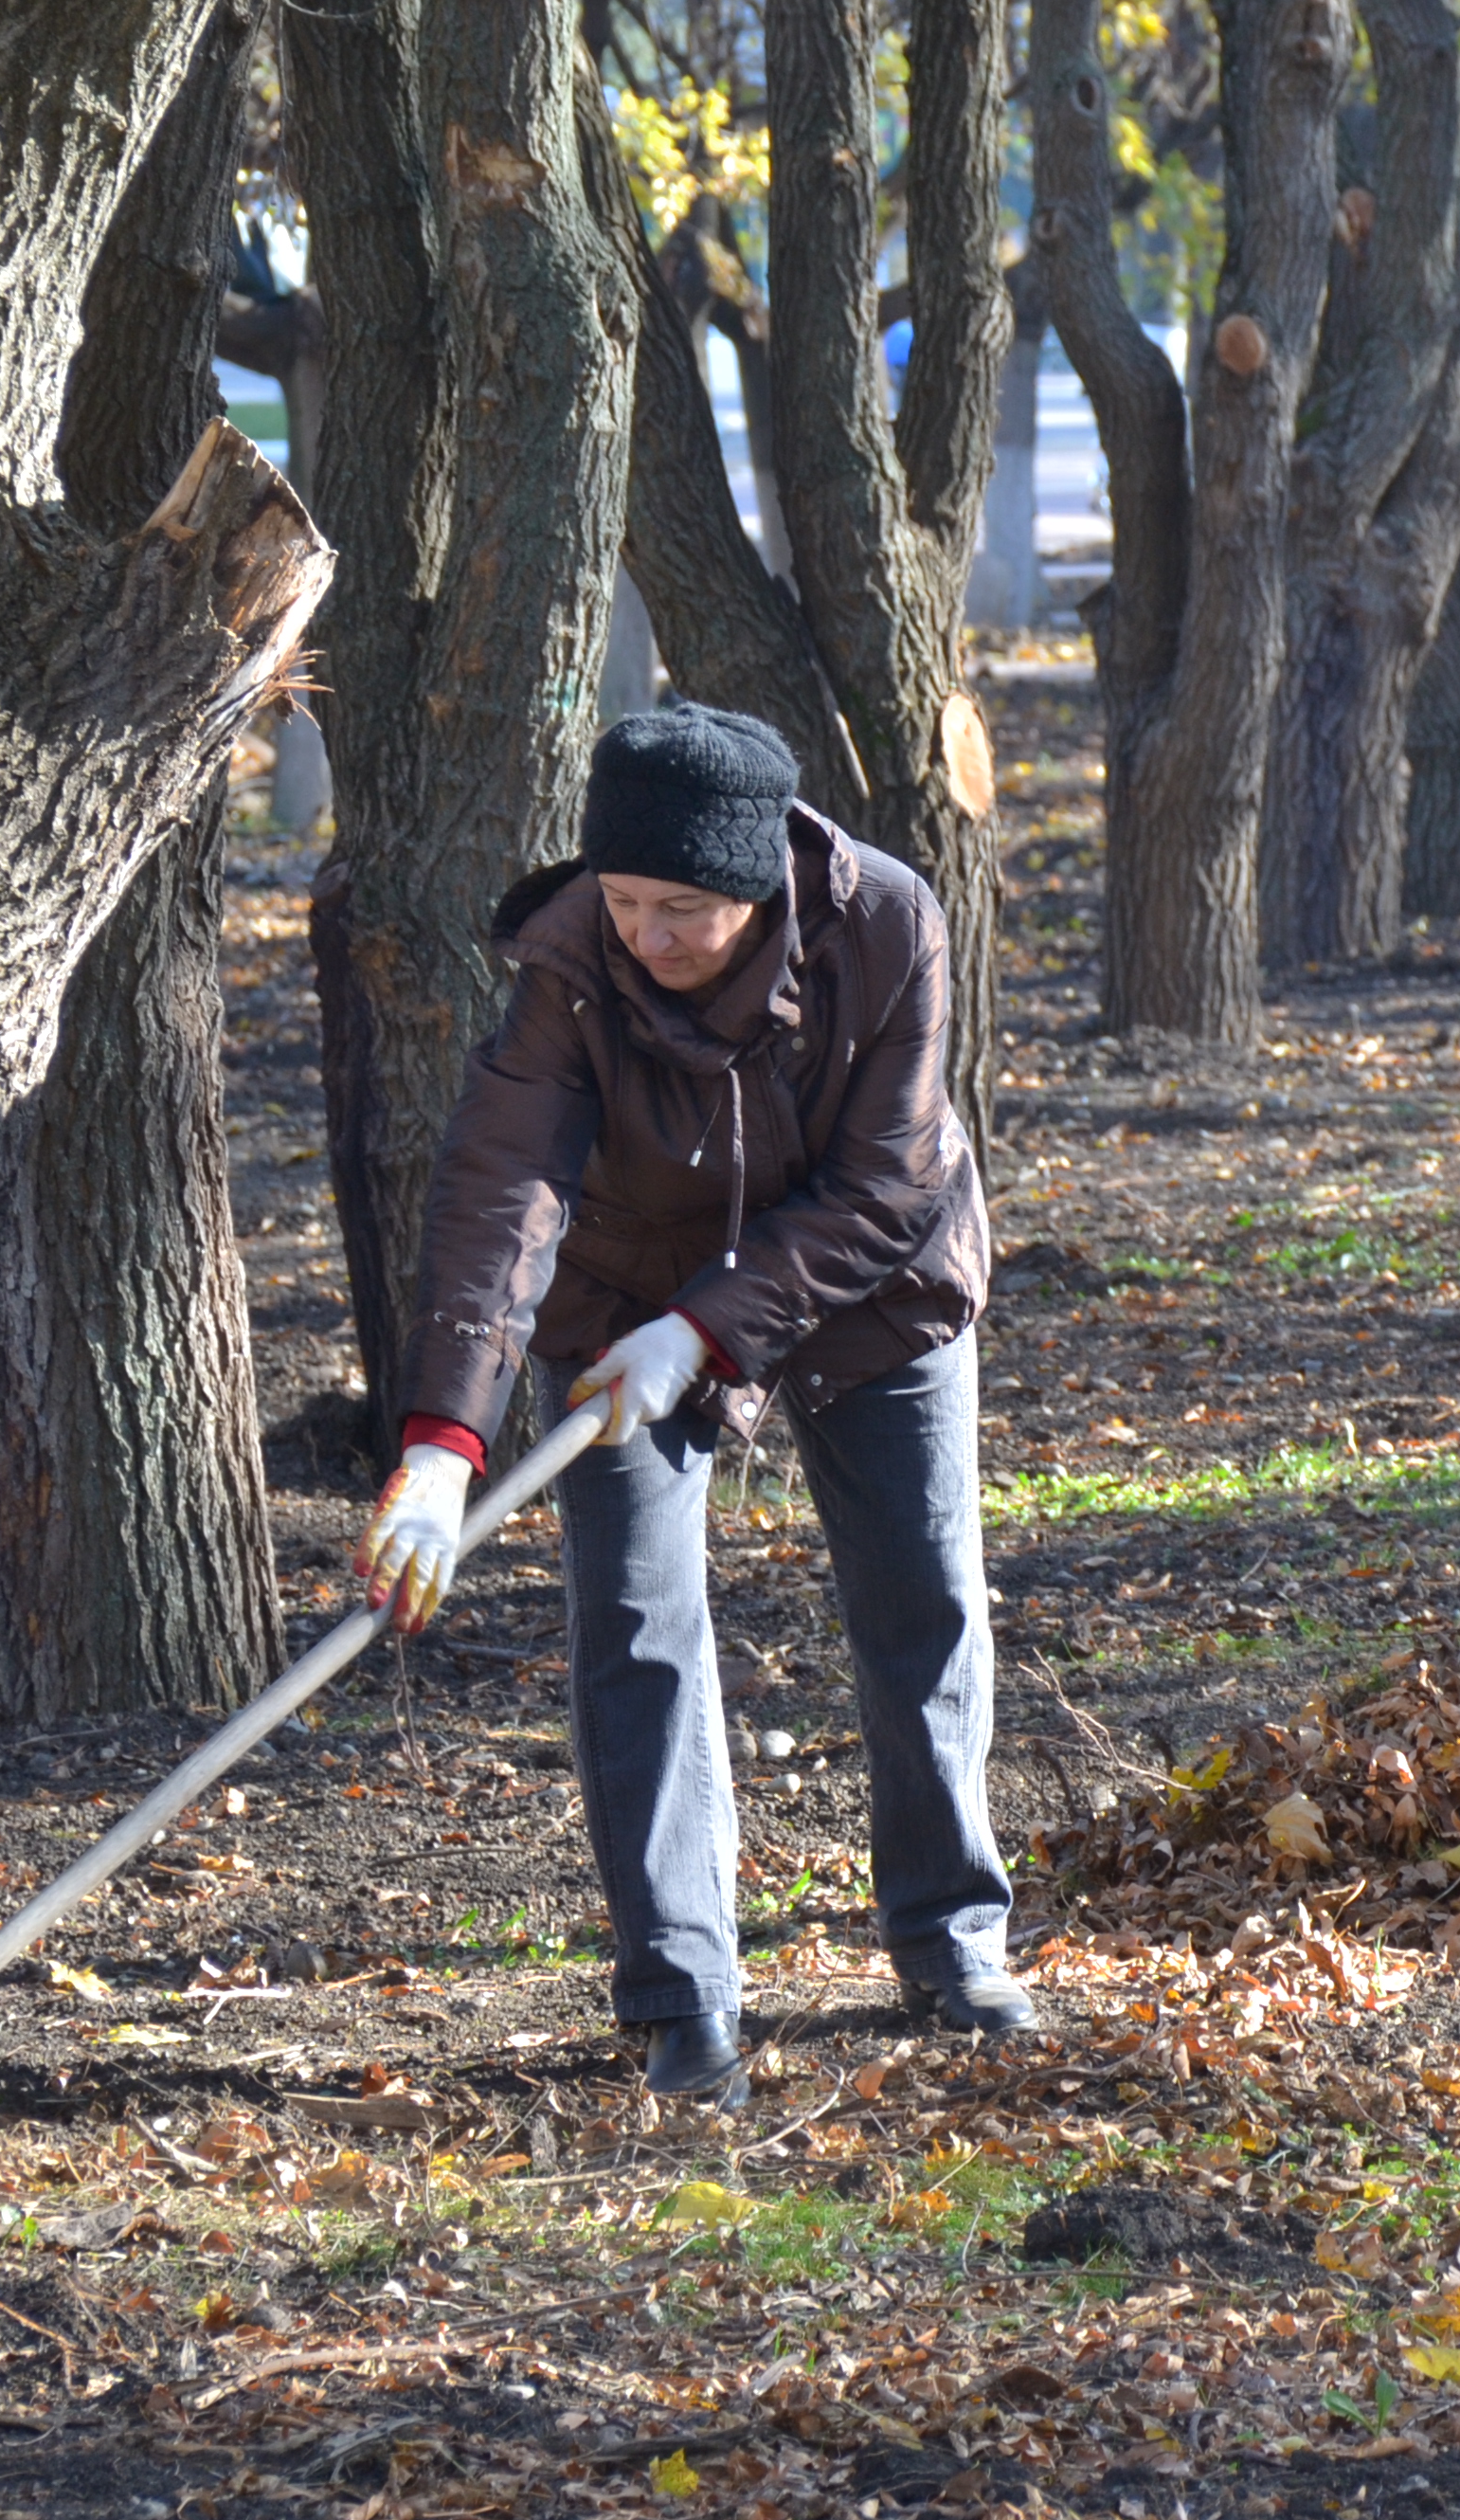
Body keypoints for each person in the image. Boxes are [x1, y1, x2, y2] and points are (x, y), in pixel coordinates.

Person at [354, 704, 1024, 2111]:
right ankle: (682, 1994)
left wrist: (707, 1332)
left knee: (921, 1596)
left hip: (872, 1284)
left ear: (759, 887)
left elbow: (887, 1186)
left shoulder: (889, 926)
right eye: (626, 901)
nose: (649, 936)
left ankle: (950, 1939)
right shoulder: (569, 966)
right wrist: (440, 1443)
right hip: (620, 1295)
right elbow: (499, 1188)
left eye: (686, 910)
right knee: (637, 1628)